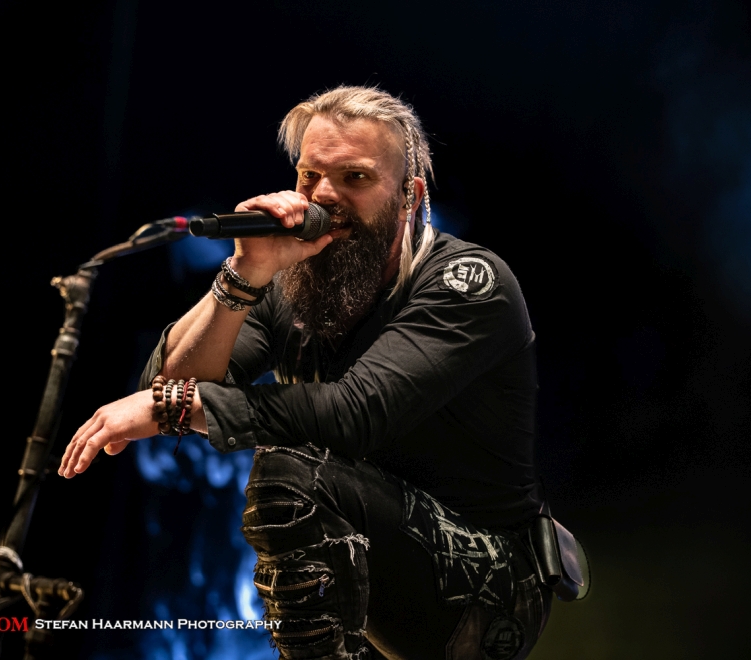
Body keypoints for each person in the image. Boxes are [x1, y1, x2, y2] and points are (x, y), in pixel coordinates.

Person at [59, 86, 552, 660]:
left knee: (290, 473)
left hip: (487, 586)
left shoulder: (467, 282)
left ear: (410, 197)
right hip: (363, 565)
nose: (324, 196)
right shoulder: (294, 283)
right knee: (293, 473)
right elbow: (169, 386)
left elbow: (355, 413)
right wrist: (244, 274)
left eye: (355, 178)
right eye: (310, 176)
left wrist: (178, 407)